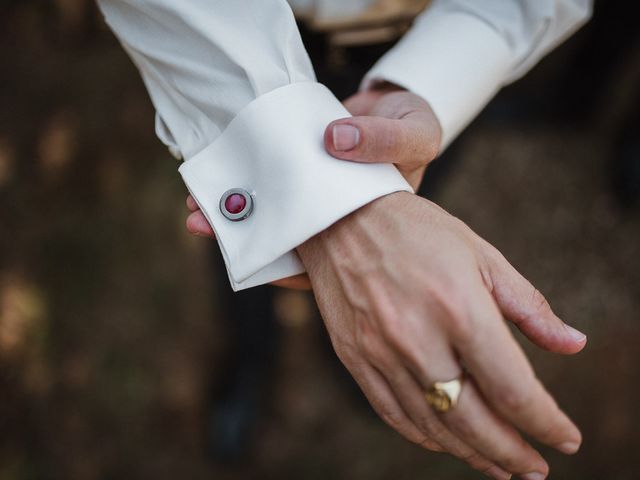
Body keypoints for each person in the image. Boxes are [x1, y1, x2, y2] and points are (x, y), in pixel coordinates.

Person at [96, 1, 593, 478]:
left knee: (417, 186)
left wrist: (431, 80)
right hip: (236, 52)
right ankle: (251, 361)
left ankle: (358, 341)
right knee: (242, 244)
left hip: (432, 56)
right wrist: (335, 206)